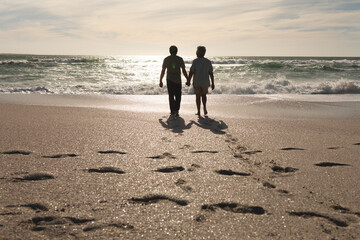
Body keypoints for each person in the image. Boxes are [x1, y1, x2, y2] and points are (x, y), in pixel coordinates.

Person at [159, 45, 188, 117]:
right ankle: (177, 110)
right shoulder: (180, 59)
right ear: (177, 51)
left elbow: (163, 71)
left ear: (169, 51)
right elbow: (184, 71)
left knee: (171, 95)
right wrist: (188, 79)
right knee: (178, 95)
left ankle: (172, 110)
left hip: (169, 79)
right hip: (177, 80)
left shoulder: (166, 59)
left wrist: (160, 80)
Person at [186, 46, 214, 116]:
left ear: (198, 52)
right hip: (205, 82)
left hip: (197, 82)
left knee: (198, 96)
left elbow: (191, 72)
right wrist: (213, 83)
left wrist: (188, 80)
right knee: (204, 95)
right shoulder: (208, 62)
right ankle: (204, 108)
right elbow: (211, 73)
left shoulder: (195, 61)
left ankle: (198, 111)